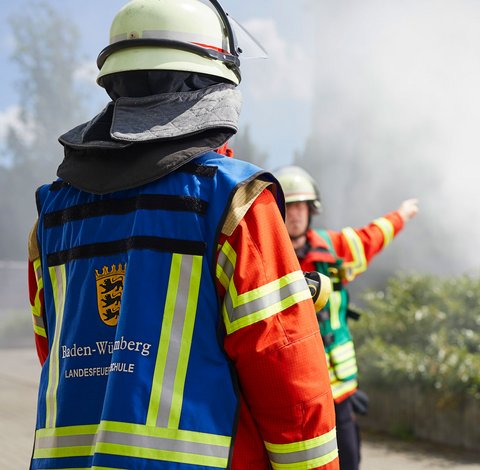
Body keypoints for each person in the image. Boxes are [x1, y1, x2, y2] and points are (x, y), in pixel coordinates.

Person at [25, 1, 337, 469]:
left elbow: (56, 351)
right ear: (215, 84)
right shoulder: (232, 201)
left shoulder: (51, 216)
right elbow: (288, 376)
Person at [275, 165, 419, 470]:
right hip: (290, 389)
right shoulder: (267, 256)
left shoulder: (333, 249)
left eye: (301, 205)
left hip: (337, 388)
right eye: (288, 206)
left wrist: (401, 216)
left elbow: (370, 238)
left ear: (312, 210)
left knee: (349, 460)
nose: (295, 214)